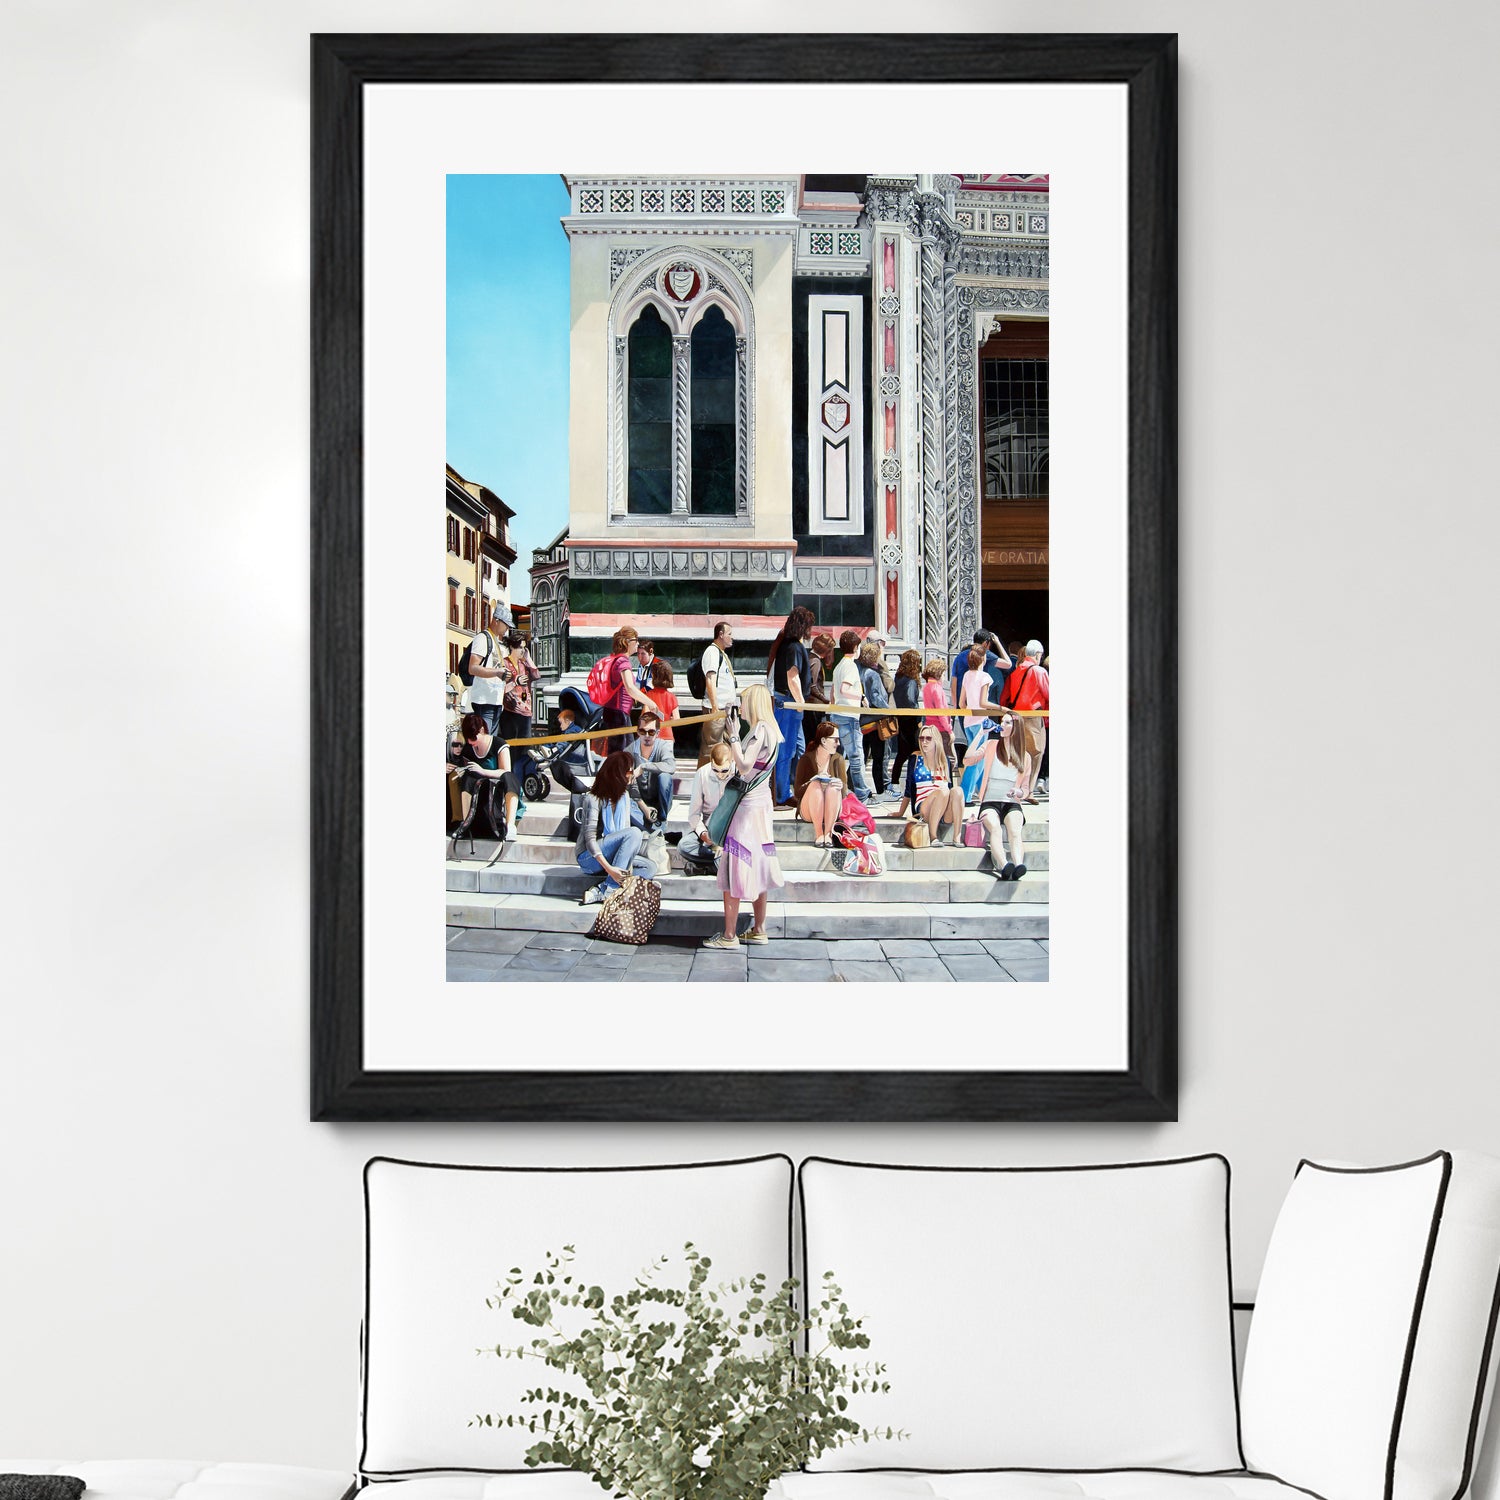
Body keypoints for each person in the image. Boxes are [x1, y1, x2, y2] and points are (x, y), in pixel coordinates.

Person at [704, 682, 784, 950]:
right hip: (761, 805)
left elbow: (745, 764)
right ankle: (759, 928)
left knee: (735, 866)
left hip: (747, 807)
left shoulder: (760, 729)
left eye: (745, 701)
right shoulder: (773, 731)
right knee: (759, 865)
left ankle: (729, 935)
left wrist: (735, 736)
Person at [574, 750, 656, 905]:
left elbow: (625, 836)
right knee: (634, 833)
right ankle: (611, 889)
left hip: (613, 855)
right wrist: (611, 870)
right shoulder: (593, 799)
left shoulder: (624, 797)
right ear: (618, 774)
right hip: (589, 858)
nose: (633, 774)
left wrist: (628, 864)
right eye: (630, 771)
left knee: (649, 868)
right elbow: (590, 840)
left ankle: (601, 888)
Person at [967, 709, 1033, 879]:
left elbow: (1026, 789)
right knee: (995, 828)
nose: (1002, 725)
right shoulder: (991, 745)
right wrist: (981, 733)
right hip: (990, 801)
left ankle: (1019, 865)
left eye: (1007, 722)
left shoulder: (1024, 756)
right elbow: (967, 760)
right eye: (1002, 721)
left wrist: (1019, 792)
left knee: (1015, 830)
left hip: (1012, 802)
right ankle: (1005, 865)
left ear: (1016, 726)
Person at [767, 605, 814, 806]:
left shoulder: (785, 643)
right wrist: (800, 703)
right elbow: (792, 675)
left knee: (793, 748)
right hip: (789, 702)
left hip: (784, 701)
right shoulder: (794, 646)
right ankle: (781, 794)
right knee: (786, 751)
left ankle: (786, 789)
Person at [449, 712, 522, 842]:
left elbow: (506, 772)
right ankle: (466, 822)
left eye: (473, 738)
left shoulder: (498, 743)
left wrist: (483, 771)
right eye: (468, 739)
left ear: (482, 730)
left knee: (511, 778)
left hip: (497, 786)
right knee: (466, 778)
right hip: (477, 788)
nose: (471, 742)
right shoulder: (469, 748)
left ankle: (510, 826)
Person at [897, 725, 966, 846]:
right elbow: (908, 790)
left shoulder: (945, 761)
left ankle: (957, 837)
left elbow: (950, 790)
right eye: (921, 738)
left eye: (928, 738)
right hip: (924, 807)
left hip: (944, 808)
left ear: (936, 740)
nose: (924, 742)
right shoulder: (915, 759)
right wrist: (900, 812)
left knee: (958, 791)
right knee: (943, 792)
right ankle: (933, 836)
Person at [1002, 639, 1051, 803]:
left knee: (1019, 754)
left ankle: (1016, 788)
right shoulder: (1039, 671)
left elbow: (1005, 698)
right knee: (1036, 753)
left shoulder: (1015, 672)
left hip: (1016, 717)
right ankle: (1027, 791)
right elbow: (1049, 694)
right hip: (1033, 717)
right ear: (1037, 654)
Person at [828, 629, 875, 801]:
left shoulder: (839, 666)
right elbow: (844, 689)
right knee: (856, 757)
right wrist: (861, 697)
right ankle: (862, 793)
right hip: (849, 716)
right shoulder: (850, 666)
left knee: (835, 757)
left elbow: (834, 692)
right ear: (856, 647)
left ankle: (836, 792)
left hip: (837, 715)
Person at [958, 644, 1006, 801]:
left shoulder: (966, 675)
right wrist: (1001, 708)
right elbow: (984, 702)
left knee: (979, 757)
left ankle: (983, 792)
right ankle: (966, 795)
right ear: (982, 658)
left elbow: (961, 703)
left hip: (969, 721)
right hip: (980, 722)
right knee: (976, 760)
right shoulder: (985, 677)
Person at [599, 626, 656, 753]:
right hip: (619, 713)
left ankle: (617, 772)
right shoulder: (623, 662)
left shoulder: (615, 659)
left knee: (619, 752)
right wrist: (650, 703)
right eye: (636, 640)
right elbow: (629, 687)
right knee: (623, 753)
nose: (638, 644)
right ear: (628, 642)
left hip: (614, 711)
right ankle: (617, 773)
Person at [680, 741, 735, 871]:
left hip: (732, 830)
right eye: (715, 770)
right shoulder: (702, 773)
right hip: (709, 828)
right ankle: (720, 864)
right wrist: (703, 833)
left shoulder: (739, 774)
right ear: (710, 762)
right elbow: (693, 814)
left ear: (732, 762)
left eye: (724, 770)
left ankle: (707, 868)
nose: (720, 774)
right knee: (684, 846)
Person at [793, 720, 848, 849]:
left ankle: (828, 834)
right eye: (835, 740)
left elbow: (844, 794)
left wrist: (841, 786)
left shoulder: (838, 759)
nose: (838, 743)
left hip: (832, 808)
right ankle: (819, 834)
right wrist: (813, 781)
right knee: (815, 785)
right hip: (809, 809)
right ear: (823, 741)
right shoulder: (806, 759)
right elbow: (797, 792)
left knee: (833, 788)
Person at [621, 710, 677, 829]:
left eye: (651, 732)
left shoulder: (662, 746)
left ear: (657, 733)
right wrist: (644, 807)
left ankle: (661, 820)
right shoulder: (629, 751)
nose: (646, 736)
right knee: (622, 794)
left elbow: (671, 766)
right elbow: (627, 782)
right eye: (643, 731)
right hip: (638, 802)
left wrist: (644, 766)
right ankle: (648, 826)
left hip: (658, 800)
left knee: (665, 777)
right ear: (637, 732)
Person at [697, 621, 740, 767]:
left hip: (727, 709)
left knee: (728, 746)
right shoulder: (712, 652)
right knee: (711, 748)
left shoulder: (721, 653)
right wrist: (715, 707)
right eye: (729, 634)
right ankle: (704, 780)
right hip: (716, 709)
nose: (732, 637)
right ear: (720, 635)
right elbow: (710, 679)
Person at [857, 640, 895, 799]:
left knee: (862, 756)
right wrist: (889, 710)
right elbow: (876, 697)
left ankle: (855, 786)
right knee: (879, 758)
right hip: (876, 721)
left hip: (863, 721)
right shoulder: (872, 674)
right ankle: (881, 789)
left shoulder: (859, 671)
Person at [495, 631, 541, 744]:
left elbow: (536, 675)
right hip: (511, 711)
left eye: (524, 648)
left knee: (524, 746)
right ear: (512, 647)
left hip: (526, 711)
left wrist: (529, 659)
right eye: (520, 647)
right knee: (511, 745)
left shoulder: (524, 664)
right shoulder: (504, 663)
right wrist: (516, 682)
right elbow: (501, 688)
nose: (522, 651)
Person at [951, 630, 1012, 712]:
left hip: (963, 706)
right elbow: (1008, 664)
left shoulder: (959, 656)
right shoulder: (984, 653)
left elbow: (953, 682)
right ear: (986, 643)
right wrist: (997, 642)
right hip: (979, 706)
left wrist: (955, 707)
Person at [464, 622, 508, 735]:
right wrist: (497, 672)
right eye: (506, 625)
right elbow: (472, 668)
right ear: (497, 621)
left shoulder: (495, 641)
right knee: (484, 740)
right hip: (484, 701)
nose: (507, 629)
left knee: (489, 742)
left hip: (495, 701)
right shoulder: (482, 638)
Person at [891, 649, 924, 787]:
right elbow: (911, 700)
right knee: (915, 752)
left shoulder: (898, 678)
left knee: (902, 754)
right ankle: (914, 782)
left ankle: (895, 781)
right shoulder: (911, 681)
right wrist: (919, 719)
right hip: (911, 720)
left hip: (901, 717)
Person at [548, 704, 593, 796]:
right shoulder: (574, 729)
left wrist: (554, 749)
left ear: (568, 721)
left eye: (561, 723)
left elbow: (563, 743)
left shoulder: (573, 730)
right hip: (574, 754)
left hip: (575, 757)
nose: (560, 726)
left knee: (556, 765)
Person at [921, 657, 955, 767]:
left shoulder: (926, 687)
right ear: (939, 673)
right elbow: (942, 712)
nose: (944, 678)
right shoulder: (937, 688)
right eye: (944, 674)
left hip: (930, 727)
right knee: (946, 759)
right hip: (941, 729)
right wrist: (949, 730)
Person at [644, 659, 679, 743]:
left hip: (652, 736)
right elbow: (677, 720)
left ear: (654, 676)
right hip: (668, 737)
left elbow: (645, 717)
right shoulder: (672, 697)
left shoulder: (649, 695)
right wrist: (668, 720)